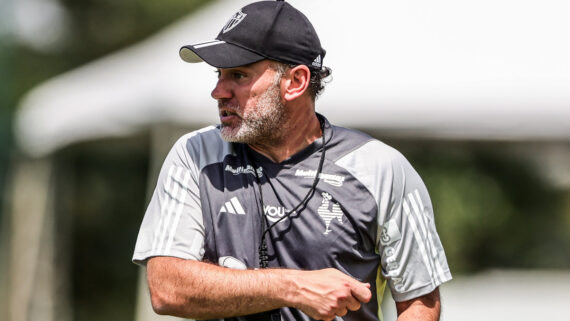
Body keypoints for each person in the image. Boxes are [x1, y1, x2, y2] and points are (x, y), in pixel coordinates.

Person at [132, 1, 452, 320]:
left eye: (239, 75)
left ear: (296, 82)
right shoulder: (194, 155)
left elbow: (420, 303)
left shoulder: (381, 168)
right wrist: (294, 287)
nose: (218, 91)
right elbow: (166, 288)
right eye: (219, 74)